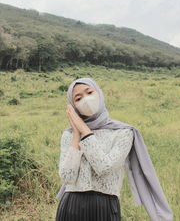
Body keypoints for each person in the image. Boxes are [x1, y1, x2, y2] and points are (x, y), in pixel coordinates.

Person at [56, 77, 173, 221]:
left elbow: (104, 168)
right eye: (78, 98)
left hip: (104, 206)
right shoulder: (69, 134)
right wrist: (76, 135)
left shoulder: (123, 132)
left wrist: (85, 131)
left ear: (99, 93)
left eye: (89, 92)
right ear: (73, 107)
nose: (86, 100)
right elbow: (67, 177)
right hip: (70, 206)